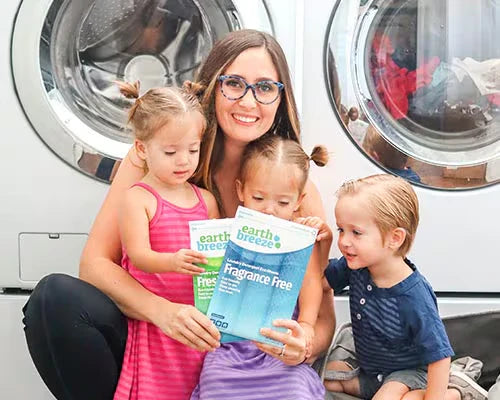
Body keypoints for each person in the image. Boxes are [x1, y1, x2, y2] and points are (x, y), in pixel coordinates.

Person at [22, 29, 335, 400]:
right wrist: (163, 313)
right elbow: (94, 265)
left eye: (265, 87)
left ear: (281, 98)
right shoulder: (153, 159)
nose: (249, 101)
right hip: (159, 338)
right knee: (54, 300)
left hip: (245, 361)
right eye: (233, 83)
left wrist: (306, 343)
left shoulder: (292, 184)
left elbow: (322, 297)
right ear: (210, 87)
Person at [319, 174, 486, 400]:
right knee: (325, 380)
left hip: (412, 372)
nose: (344, 241)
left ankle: (456, 390)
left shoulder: (412, 295)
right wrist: (321, 242)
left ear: (394, 238)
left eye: (356, 232)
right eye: (341, 230)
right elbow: (320, 282)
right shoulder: (355, 266)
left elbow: (438, 356)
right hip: (373, 372)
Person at [191, 134, 329, 399]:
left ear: (299, 201)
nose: (269, 210)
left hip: (278, 343)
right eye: (258, 198)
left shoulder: (298, 237)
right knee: (215, 380)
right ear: (241, 190)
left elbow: (312, 284)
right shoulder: (228, 233)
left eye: (283, 202)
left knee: (295, 388)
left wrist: (307, 327)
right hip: (230, 347)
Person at [112, 81, 220, 399]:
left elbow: (215, 257)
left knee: (201, 385)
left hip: (198, 314)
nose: (184, 161)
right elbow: (137, 256)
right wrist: (172, 261)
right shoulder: (139, 198)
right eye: (171, 152)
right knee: (159, 388)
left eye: (193, 150)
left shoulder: (206, 201)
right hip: (157, 322)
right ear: (143, 149)